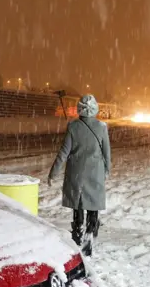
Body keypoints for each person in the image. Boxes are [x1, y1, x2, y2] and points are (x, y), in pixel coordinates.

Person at [48, 94, 111, 256]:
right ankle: (90, 234)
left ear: (79, 109)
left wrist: (53, 172)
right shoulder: (102, 127)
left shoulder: (73, 127)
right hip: (95, 172)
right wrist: (107, 170)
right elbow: (106, 153)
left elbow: (64, 152)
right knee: (93, 205)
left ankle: (77, 234)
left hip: (76, 172)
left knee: (78, 203)